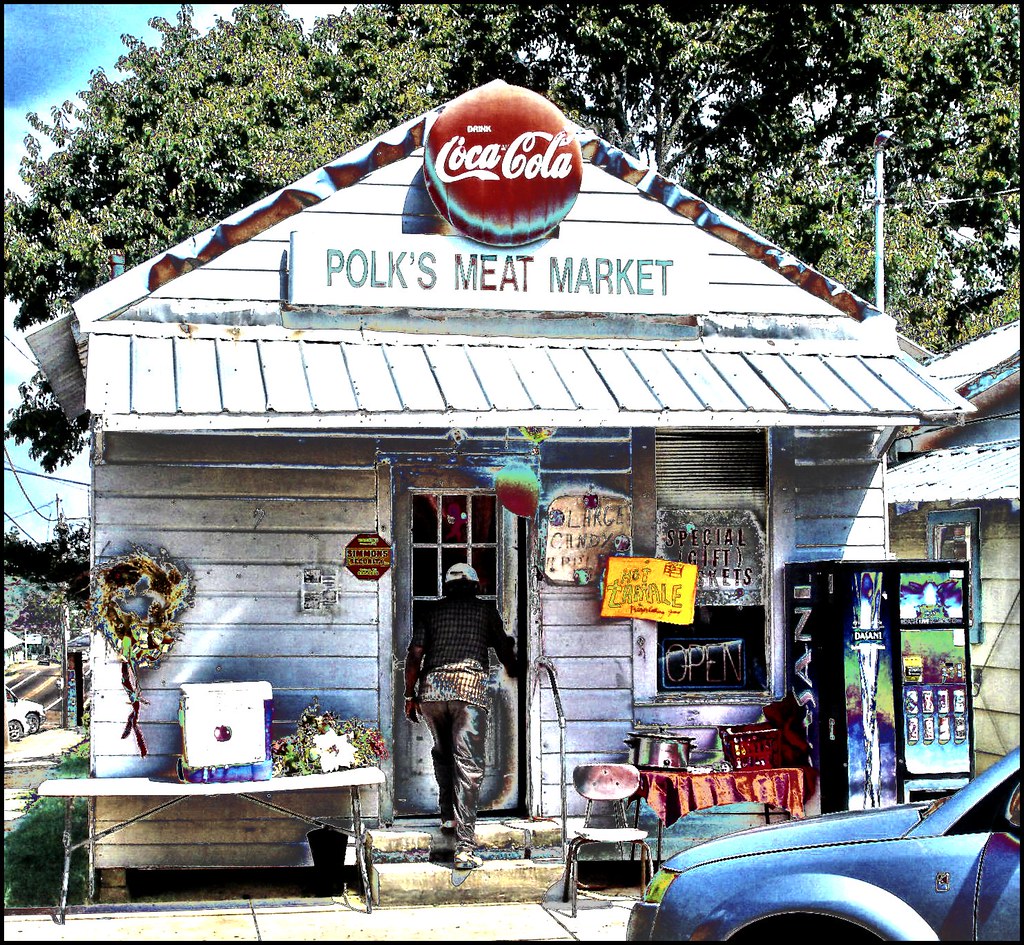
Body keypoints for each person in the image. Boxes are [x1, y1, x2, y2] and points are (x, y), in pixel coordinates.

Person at [404, 562, 518, 870]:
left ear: (446, 587)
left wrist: (409, 695)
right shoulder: (485, 612)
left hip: (432, 691)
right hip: (468, 692)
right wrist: (514, 668)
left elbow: (415, 654)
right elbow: (504, 651)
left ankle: (447, 816)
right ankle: (465, 848)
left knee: (443, 754)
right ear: (475, 586)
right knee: (468, 767)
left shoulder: (431, 612)